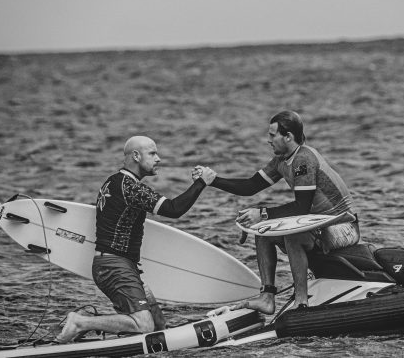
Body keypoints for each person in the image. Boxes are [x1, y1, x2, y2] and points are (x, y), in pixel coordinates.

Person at [195, 111, 360, 314]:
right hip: (316, 225)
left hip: (343, 226)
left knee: (292, 236)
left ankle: (301, 301)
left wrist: (262, 213)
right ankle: (267, 297)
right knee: (263, 232)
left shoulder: (303, 159)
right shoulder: (281, 160)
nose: (268, 140)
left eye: (273, 135)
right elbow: (250, 186)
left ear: (288, 137)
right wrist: (212, 180)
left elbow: (301, 207)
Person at [55, 136, 216, 343]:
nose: (158, 159)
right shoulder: (130, 187)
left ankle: (87, 327)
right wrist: (202, 183)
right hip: (115, 267)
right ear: (136, 156)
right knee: (144, 325)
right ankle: (80, 322)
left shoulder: (113, 181)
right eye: (152, 153)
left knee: (158, 325)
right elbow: (173, 209)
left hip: (118, 266)